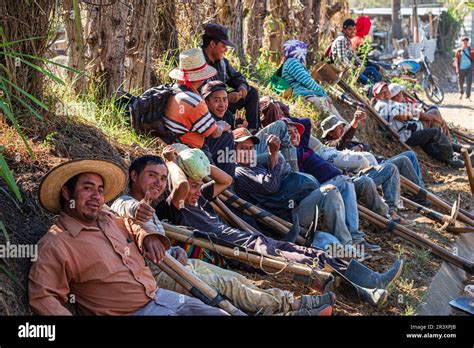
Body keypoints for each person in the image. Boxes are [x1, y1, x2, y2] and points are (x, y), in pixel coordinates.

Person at [157, 146, 403, 306]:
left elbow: (225, 180)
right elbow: (180, 187)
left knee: (314, 254)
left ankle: (371, 283)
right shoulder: (176, 205)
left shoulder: (200, 197)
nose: (197, 190)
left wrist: (198, 164)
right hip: (236, 249)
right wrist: (172, 163)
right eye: (193, 185)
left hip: (251, 240)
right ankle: (368, 289)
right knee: (307, 261)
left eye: (200, 184)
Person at [110, 154, 335, 316]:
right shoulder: (129, 202)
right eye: (152, 176)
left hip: (177, 263)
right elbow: (124, 208)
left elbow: (225, 180)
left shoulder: (161, 206)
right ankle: (294, 306)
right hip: (156, 277)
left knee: (238, 280)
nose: (158, 183)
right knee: (228, 286)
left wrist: (173, 249)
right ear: (134, 175)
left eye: (161, 178)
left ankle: (286, 302)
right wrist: (170, 162)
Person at [29, 159, 227, 316]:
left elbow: (132, 225)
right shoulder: (56, 243)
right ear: (66, 192)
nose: (96, 196)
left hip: (160, 296)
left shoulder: (108, 220)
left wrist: (148, 236)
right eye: (87, 188)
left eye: (99, 190)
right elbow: (43, 297)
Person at [233, 126, 381, 253]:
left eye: (251, 148)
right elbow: (271, 186)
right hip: (287, 217)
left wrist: (274, 157)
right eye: (243, 148)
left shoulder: (255, 163)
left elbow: (284, 169)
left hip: (296, 205)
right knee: (329, 191)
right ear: (233, 152)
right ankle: (347, 247)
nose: (248, 152)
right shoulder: (241, 171)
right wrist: (274, 156)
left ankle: (348, 246)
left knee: (334, 189)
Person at [321, 113, 426, 191]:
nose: (342, 130)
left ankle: (421, 187)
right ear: (330, 133)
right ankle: (421, 194)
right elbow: (343, 142)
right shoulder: (330, 146)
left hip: (379, 162)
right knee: (404, 160)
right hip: (374, 170)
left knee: (410, 154)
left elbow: (367, 146)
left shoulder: (346, 141)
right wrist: (355, 122)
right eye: (338, 129)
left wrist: (360, 147)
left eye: (342, 128)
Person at [372, 82, 465, 168]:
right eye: (382, 92)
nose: (386, 93)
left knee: (431, 139)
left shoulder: (391, 103)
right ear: (377, 96)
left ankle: (456, 152)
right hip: (406, 135)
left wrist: (409, 113)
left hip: (411, 129)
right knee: (435, 132)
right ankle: (453, 157)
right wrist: (409, 114)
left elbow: (411, 112)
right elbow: (403, 117)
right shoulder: (382, 105)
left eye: (386, 90)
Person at [164, 47, 231, 149]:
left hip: (174, 140)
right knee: (227, 136)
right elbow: (215, 133)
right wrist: (222, 125)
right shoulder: (194, 101)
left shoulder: (173, 89)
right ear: (202, 77)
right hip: (188, 148)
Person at [201, 23, 260, 132]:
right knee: (229, 117)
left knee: (252, 93)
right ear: (212, 44)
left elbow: (236, 77)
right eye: (223, 46)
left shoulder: (222, 62)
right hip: (206, 107)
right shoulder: (198, 61)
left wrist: (242, 87)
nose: (226, 50)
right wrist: (227, 98)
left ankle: (254, 131)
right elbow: (201, 96)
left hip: (222, 102)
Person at [280, 40, 346, 122]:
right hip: (307, 97)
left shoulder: (290, 63)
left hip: (311, 96)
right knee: (338, 123)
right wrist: (324, 94)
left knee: (341, 123)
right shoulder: (293, 62)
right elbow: (307, 81)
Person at [331, 18, 382, 85]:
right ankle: (374, 89)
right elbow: (342, 59)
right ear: (344, 29)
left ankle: (380, 87)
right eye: (350, 29)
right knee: (368, 81)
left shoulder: (347, 40)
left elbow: (353, 56)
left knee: (372, 69)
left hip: (350, 68)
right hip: (340, 69)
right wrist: (354, 67)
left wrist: (361, 65)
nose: (353, 31)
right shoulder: (341, 40)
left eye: (354, 29)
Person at [455, 36, 474, 100]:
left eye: (466, 41)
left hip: (469, 69)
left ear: (467, 42)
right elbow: (456, 61)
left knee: (469, 82)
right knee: (460, 82)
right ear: (462, 42)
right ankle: (461, 93)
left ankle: (468, 95)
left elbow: (473, 60)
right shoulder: (458, 51)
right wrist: (457, 69)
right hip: (461, 69)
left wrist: (472, 68)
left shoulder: (471, 51)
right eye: (464, 41)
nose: (465, 43)